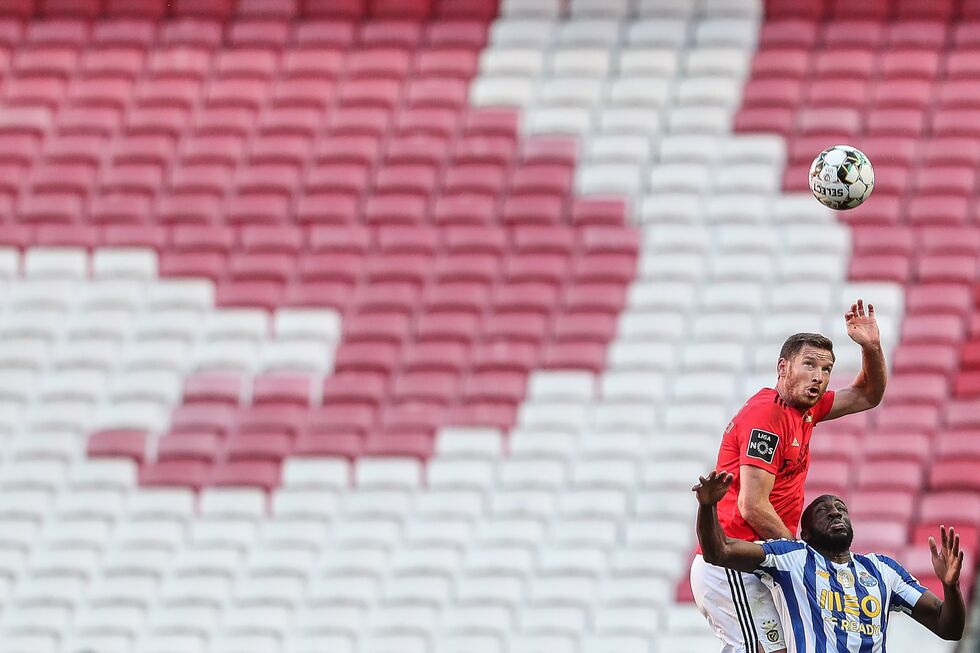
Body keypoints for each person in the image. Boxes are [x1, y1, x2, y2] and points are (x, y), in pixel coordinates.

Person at [690, 299, 887, 653]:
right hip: (732, 562)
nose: (819, 376)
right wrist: (803, 558)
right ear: (783, 367)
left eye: (826, 369)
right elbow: (752, 506)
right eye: (809, 364)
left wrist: (871, 347)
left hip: (759, 561)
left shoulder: (805, 411)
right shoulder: (767, 416)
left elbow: (867, 394)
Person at [693, 470, 965, 652]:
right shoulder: (793, 557)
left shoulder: (883, 570)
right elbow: (718, 552)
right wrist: (707, 507)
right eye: (823, 510)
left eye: (841, 509)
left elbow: (948, 626)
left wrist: (950, 586)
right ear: (806, 533)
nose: (835, 513)